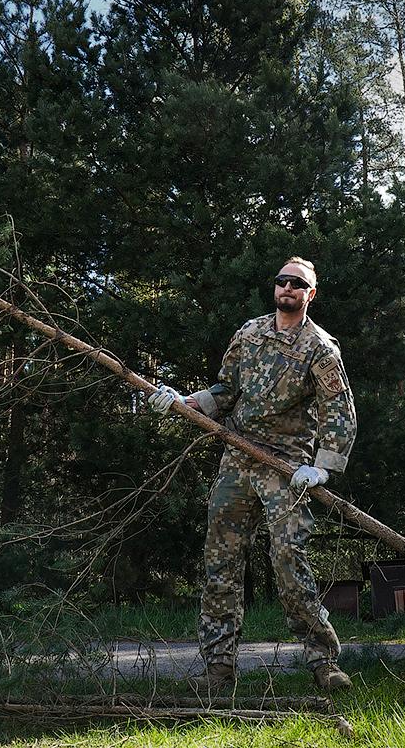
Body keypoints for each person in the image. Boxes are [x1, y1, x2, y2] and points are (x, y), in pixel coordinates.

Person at [148, 257, 358, 693]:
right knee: (220, 562)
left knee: (289, 560)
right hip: (238, 461)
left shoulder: (321, 348)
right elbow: (225, 390)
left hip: (287, 468)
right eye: (282, 281)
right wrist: (183, 402)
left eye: (297, 284)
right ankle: (218, 669)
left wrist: (321, 467)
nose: (287, 288)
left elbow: (340, 411)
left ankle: (324, 664)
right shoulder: (249, 333)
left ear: (310, 294)